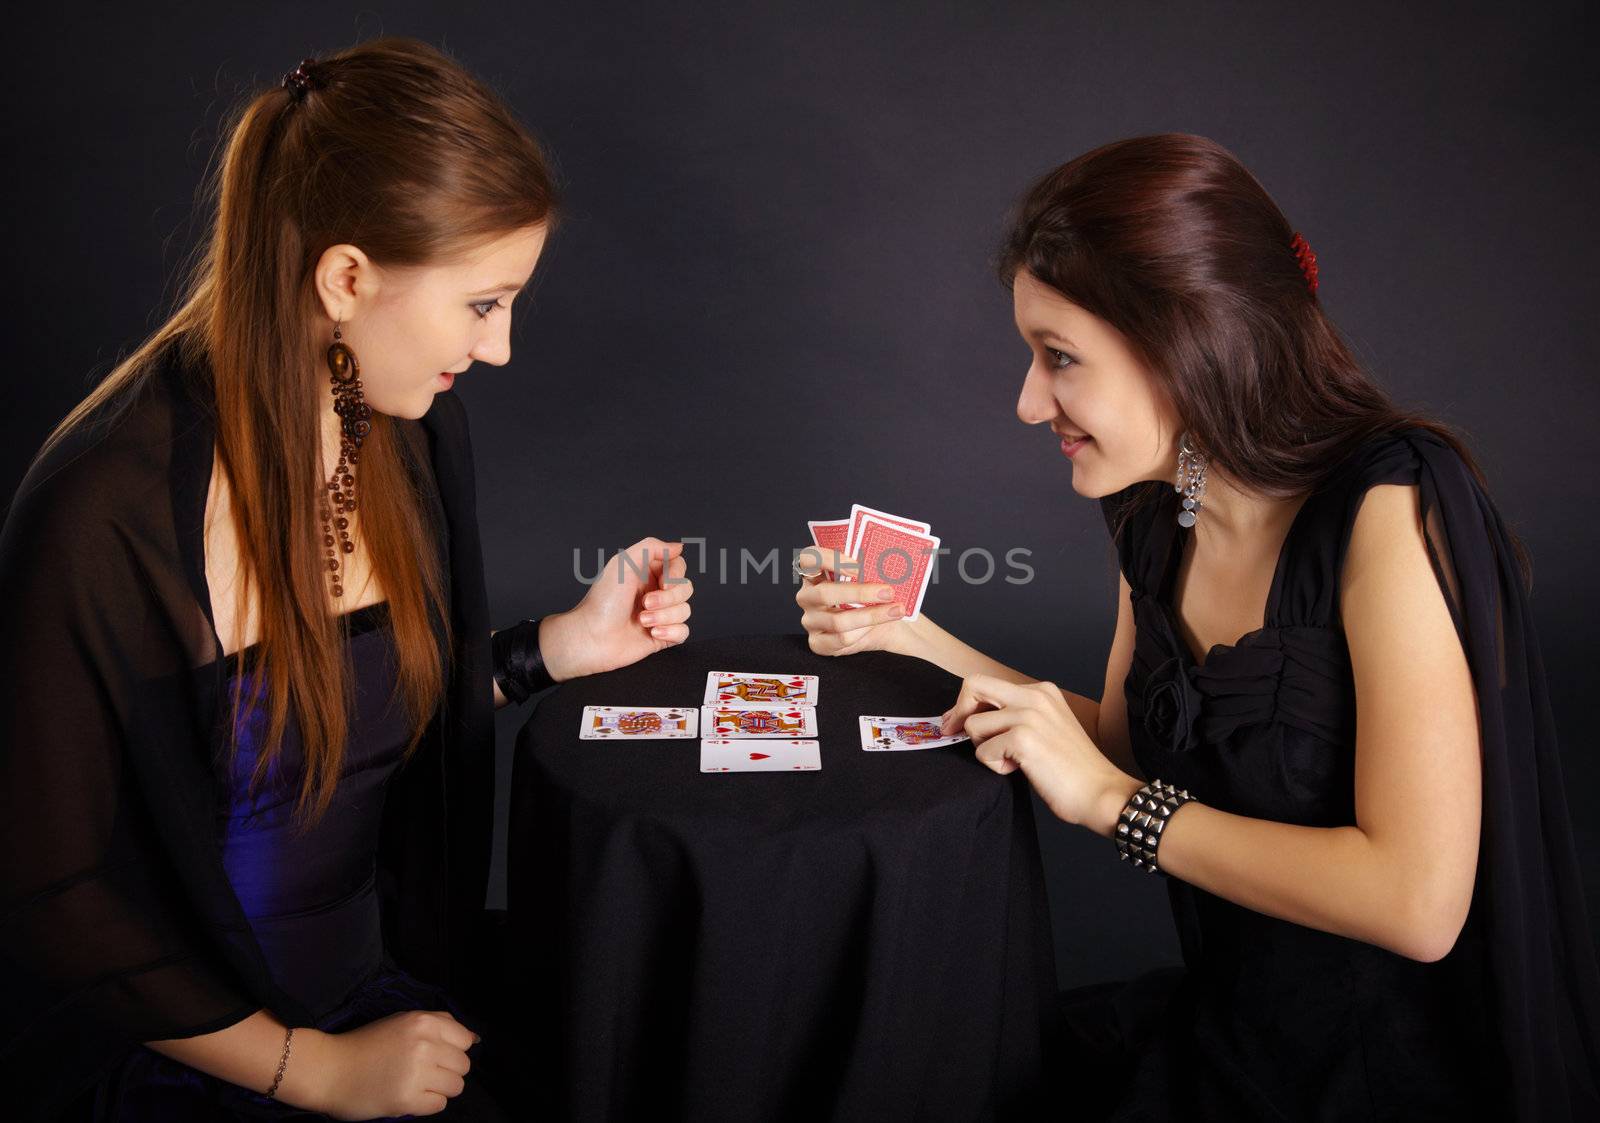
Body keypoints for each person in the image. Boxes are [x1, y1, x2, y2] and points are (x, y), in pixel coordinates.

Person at [794, 133, 1600, 1120]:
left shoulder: (1391, 508)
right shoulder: (1160, 510)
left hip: (1384, 1078)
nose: (1024, 401)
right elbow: (1131, 747)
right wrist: (908, 635)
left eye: (1057, 359)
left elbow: (1418, 904)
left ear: (1187, 344)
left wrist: (1111, 806)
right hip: (1233, 1036)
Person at [0, 38, 694, 1121]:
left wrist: (557, 647)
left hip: (385, 995)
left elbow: (352, 719)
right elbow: (53, 891)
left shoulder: (410, 428)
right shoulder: (105, 515)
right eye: (482, 303)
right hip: (190, 1049)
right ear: (346, 277)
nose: (501, 348)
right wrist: (313, 1070)